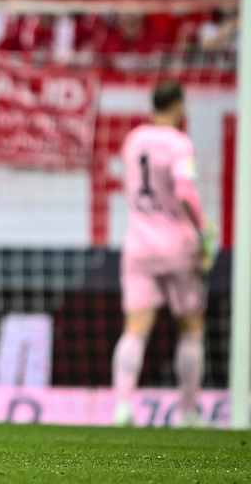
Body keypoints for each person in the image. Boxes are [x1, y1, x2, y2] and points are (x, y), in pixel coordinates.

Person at [112, 81, 216, 427]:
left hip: (138, 243)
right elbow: (184, 192)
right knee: (191, 326)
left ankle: (122, 407)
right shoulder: (179, 143)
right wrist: (203, 230)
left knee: (135, 327)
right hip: (176, 244)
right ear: (179, 105)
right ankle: (188, 412)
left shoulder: (133, 140)